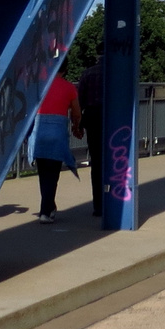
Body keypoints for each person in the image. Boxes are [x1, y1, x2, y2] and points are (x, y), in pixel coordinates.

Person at [33, 73, 82, 224]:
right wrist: (76, 126)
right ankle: (45, 211)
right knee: (52, 174)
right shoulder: (69, 87)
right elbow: (76, 111)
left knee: (43, 174)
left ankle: (49, 206)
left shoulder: (38, 85)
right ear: (66, 70)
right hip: (57, 134)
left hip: (39, 133)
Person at [76, 60, 104, 216]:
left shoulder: (87, 73)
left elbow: (80, 100)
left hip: (92, 117)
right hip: (112, 117)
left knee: (96, 161)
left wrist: (78, 124)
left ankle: (98, 205)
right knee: (115, 159)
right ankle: (114, 199)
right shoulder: (115, 72)